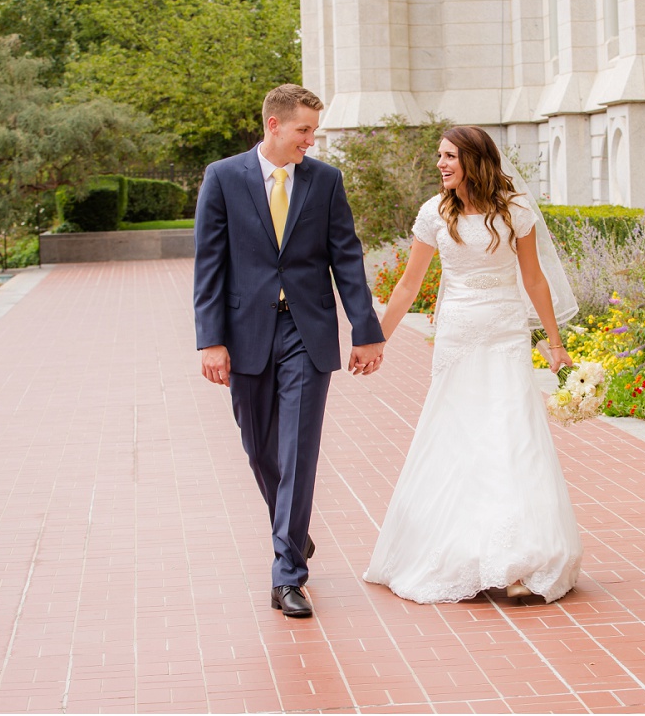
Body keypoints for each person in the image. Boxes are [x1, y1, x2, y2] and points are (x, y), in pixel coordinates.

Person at [363, 125, 583, 604]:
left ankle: (519, 562)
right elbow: (408, 285)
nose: (441, 164)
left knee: (512, 437)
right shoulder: (433, 213)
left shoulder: (515, 210)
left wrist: (555, 342)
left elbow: (535, 280)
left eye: (450, 156)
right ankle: (461, 551)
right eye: (439, 156)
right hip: (459, 336)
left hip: (505, 334)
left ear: (475, 161)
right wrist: (376, 340)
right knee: (459, 433)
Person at [193, 84, 386, 619]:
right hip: (245, 332)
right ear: (274, 126)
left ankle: (287, 574)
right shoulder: (224, 177)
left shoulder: (325, 181)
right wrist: (211, 340)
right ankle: (294, 530)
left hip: (308, 330)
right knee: (260, 451)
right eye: (304, 130)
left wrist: (365, 329)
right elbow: (209, 264)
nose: (310, 141)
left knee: (299, 450)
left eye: (313, 132)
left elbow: (346, 257)